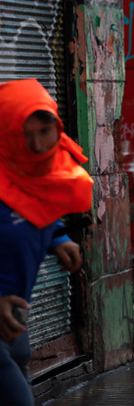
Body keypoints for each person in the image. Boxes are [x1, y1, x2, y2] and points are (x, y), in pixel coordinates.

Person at [0, 79, 93, 406]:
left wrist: (58, 236)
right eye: (24, 133)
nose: (38, 145)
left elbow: (31, 207)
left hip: (14, 317)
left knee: (20, 359)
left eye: (45, 131)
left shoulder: (26, 173)